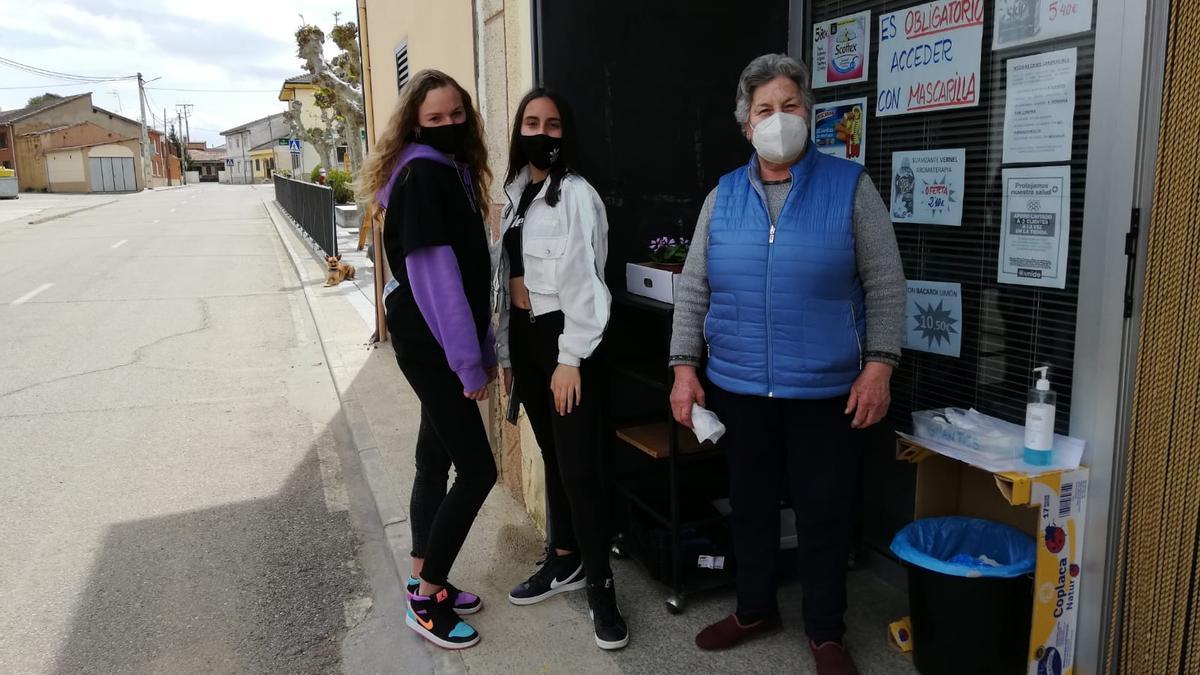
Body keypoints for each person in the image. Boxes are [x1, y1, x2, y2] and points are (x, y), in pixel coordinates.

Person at [668, 54, 905, 675]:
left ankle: (827, 631)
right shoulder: (723, 195)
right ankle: (754, 609)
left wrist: (878, 365)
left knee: (824, 513)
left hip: (828, 389)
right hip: (740, 385)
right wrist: (684, 367)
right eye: (765, 109)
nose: (779, 118)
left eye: (790, 105)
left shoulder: (849, 185)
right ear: (747, 124)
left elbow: (885, 282)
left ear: (811, 114)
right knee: (748, 506)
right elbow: (694, 287)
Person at [357, 69, 497, 650]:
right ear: (416, 121)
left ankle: (424, 577)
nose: (447, 125)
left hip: (432, 336)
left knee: (432, 458)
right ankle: (426, 595)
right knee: (480, 470)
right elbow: (437, 281)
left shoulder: (451, 171)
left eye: (455, 115)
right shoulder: (422, 176)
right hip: (435, 342)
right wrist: (470, 363)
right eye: (434, 118)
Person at [493, 88, 626, 650]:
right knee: (552, 456)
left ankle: (601, 589)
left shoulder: (576, 196)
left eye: (552, 125)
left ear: (565, 134)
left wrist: (569, 358)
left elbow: (588, 286)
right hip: (524, 340)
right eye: (531, 122)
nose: (541, 133)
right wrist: (506, 357)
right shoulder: (514, 196)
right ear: (518, 130)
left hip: (563, 342)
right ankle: (565, 559)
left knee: (578, 469)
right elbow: (502, 282)